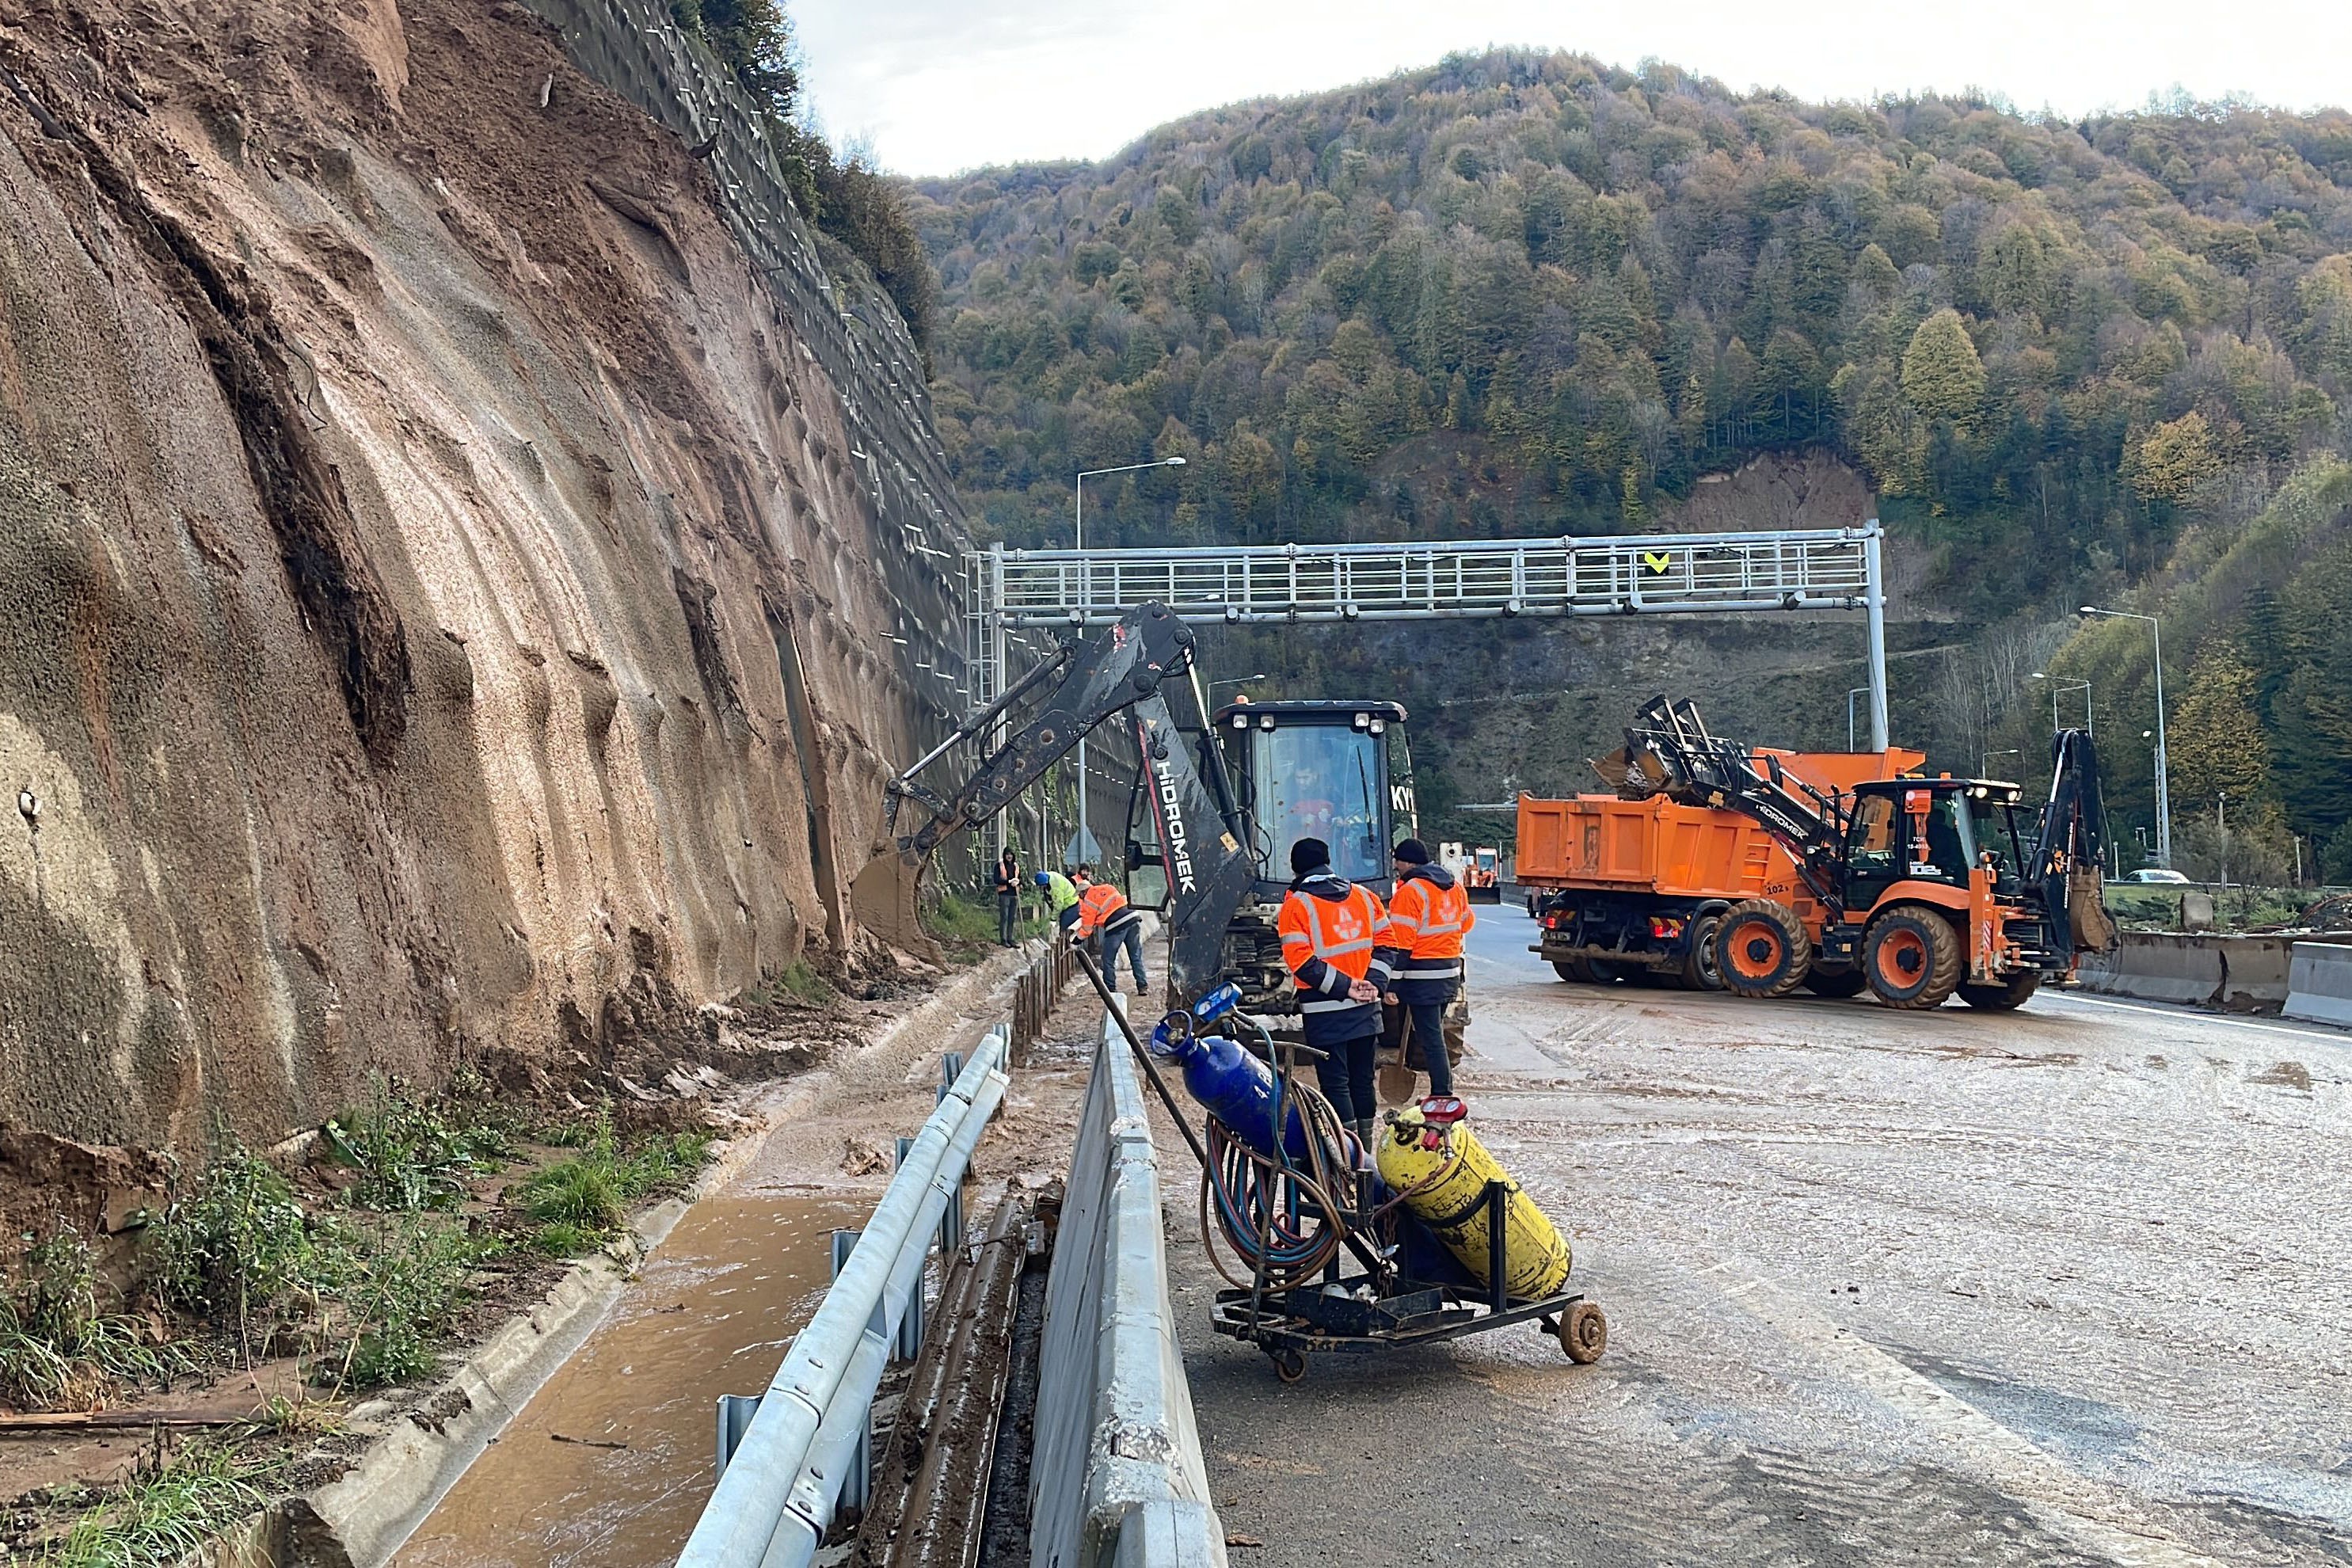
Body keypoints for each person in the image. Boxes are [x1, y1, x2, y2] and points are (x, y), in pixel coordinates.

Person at [1277, 836, 1390, 1147]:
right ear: (1329, 861)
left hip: (1325, 1012)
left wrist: (1346, 988)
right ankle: (1365, 1156)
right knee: (1364, 1082)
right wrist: (1373, 984)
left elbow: (1302, 962)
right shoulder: (1367, 897)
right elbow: (1387, 945)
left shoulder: (1296, 906)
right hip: (1368, 1008)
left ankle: (1347, 1157)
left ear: (1296, 868)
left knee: (1336, 1084)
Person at [1379, 837, 1474, 1102]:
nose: (1396, 867)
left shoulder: (1410, 892)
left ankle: (1443, 1094)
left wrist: (1393, 986)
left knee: (1431, 1037)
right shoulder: (1454, 887)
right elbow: (1467, 924)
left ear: (1407, 862)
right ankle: (1441, 1091)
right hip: (1450, 974)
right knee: (1432, 1033)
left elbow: (1402, 945)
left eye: (1397, 861)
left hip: (1422, 977)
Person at [1075, 871, 1149, 994]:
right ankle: (1142, 986)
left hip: (1116, 925)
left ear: (1083, 892)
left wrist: (1076, 941)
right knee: (1135, 956)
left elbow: (1087, 929)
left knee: (1107, 959)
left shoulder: (1088, 900)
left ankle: (1110, 989)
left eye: (1080, 895)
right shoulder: (1108, 887)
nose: (1080, 898)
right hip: (1133, 917)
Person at [1034, 867, 1080, 935]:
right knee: (1063, 929)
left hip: (1071, 905)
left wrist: (1053, 919)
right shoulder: (1048, 875)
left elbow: (1058, 904)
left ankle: (1066, 944)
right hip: (1068, 903)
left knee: (1064, 930)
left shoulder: (1055, 887)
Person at [992, 848, 1022, 946]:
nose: (1009, 856)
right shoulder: (999, 866)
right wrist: (1008, 882)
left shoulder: (1016, 866)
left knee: (1012, 917)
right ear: (1004, 855)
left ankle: (1011, 938)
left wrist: (1018, 882)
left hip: (1014, 894)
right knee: (1004, 916)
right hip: (1004, 894)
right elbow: (996, 880)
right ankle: (1003, 939)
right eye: (1007, 854)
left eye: (1011, 854)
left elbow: (1020, 878)